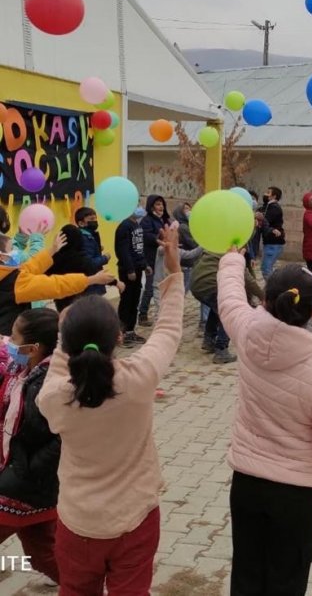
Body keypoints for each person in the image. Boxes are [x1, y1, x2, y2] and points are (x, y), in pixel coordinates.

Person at [37, 225, 184, 595]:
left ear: (66, 342)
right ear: (118, 336)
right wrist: (174, 270)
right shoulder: (138, 379)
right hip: (135, 518)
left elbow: (61, 365)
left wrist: (64, 334)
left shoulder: (54, 396)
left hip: (77, 521)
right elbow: (168, 330)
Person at [216, 253, 312, 596]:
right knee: (287, 583)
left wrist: (232, 258)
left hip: (247, 485)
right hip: (295, 495)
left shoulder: (246, 333)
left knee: (246, 575)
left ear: (265, 301)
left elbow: (229, 298)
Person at [0, 308, 61, 585]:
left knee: (44, 551)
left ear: (34, 348)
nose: (9, 342)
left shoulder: (51, 385)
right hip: (23, 479)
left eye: (15, 337)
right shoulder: (21, 370)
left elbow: (60, 439)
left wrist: (25, 471)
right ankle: (84, 587)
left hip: (22, 485)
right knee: (43, 553)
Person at [0, 230, 114, 335]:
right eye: (12, 249)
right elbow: (56, 285)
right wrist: (91, 279)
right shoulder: (15, 282)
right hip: (6, 336)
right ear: (2, 257)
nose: (16, 251)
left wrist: (53, 249)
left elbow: (30, 266)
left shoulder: (6, 273)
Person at [114, 208, 148, 346]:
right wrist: (130, 269)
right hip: (128, 270)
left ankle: (130, 331)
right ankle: (121, 333)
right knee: (126, 301)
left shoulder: (137, 225)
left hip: (138, 269)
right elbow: (123, 250)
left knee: (134, 301)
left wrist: (145, 265)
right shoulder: (124, 226)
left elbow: (139, 248)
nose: (139, 207)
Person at [138, 194, 171, 326]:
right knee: (150, 288)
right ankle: (142, 314)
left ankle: (163, 312)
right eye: (157, 204)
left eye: (162, 204)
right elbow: (146, 236)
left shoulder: (165, 219)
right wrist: (158, 239)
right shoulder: (147, 220)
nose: (161, 206)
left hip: (164, 259)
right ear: (151, 206)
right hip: (151, 259)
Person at [75, 207, 110, 295]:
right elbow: (89, 263)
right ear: (81, 223)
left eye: (95, 219)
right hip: (91, 283)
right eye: (91, 219)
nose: (95, 221)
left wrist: (97, 249)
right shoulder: (85, 238)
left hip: (92, 282)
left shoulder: (89, 235)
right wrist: (105, 258)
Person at [260, 186, 285, 280]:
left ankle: (273, 287)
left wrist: (260, 217)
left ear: (274, 196)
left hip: (273, 243)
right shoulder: (269, 206)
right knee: (266, 268)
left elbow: (265, 221)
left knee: (266, 269)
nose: (265, 194)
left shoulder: (274, 208)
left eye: (268, 192)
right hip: (270, 242)